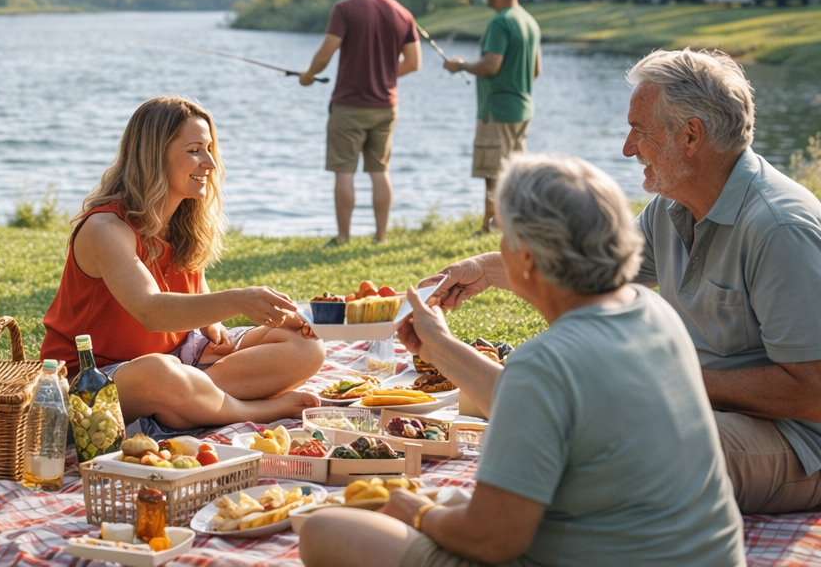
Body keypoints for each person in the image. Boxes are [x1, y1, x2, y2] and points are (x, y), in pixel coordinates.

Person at [428, 48, 821, 516]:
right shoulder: (673, 207)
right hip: (709, 415)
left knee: (602, 440)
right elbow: (585, 272)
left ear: (691, 136)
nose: (628, 148)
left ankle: (467, 525)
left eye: (640, 131)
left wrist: (678, 381)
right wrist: (486, 269)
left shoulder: (779, 228)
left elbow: (811, 391)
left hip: (797, 443)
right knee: (531, 403)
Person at [301, 154, 745, 567]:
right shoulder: (653, 313)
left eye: (505, 234)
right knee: (449, 504)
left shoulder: (548, 363)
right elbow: (533, 409)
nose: (501, 245)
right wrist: (439, 348)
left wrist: (418, 513)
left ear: (528, 257)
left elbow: (492, 540)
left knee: (326, 529)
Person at [41, 97, 325, 430]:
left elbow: (192, 290)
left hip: (180, 357)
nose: (209, 163)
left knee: (307, 344)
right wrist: (237, 300)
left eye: (209, 149)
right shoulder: (105, 229)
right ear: (153, 156)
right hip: (93, 380)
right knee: (159, 375)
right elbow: (151, 310)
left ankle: (188, 404)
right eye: (194, 151)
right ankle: (254, 410)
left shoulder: (181, 222)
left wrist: (214, 328)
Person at [299, 0, 420, 243]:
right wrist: (386, 77)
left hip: (349, 106)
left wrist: (308, 75)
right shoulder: (403, 13)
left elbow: (326, 51)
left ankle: (343, 237)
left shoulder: (344, 8)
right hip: (386, 106)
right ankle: (380, 237)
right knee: (380, 171)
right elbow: (414, 63)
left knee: (344, 171)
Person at [443, 0, 540, 232]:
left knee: (493, 172)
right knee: (515, 172)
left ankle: (492, 226)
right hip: (523, 109)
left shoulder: (500, 22)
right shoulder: (529, 21)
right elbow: (536, 70)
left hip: (497, 111)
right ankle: (516, 223)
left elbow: (490, 65)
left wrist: (460, 66)